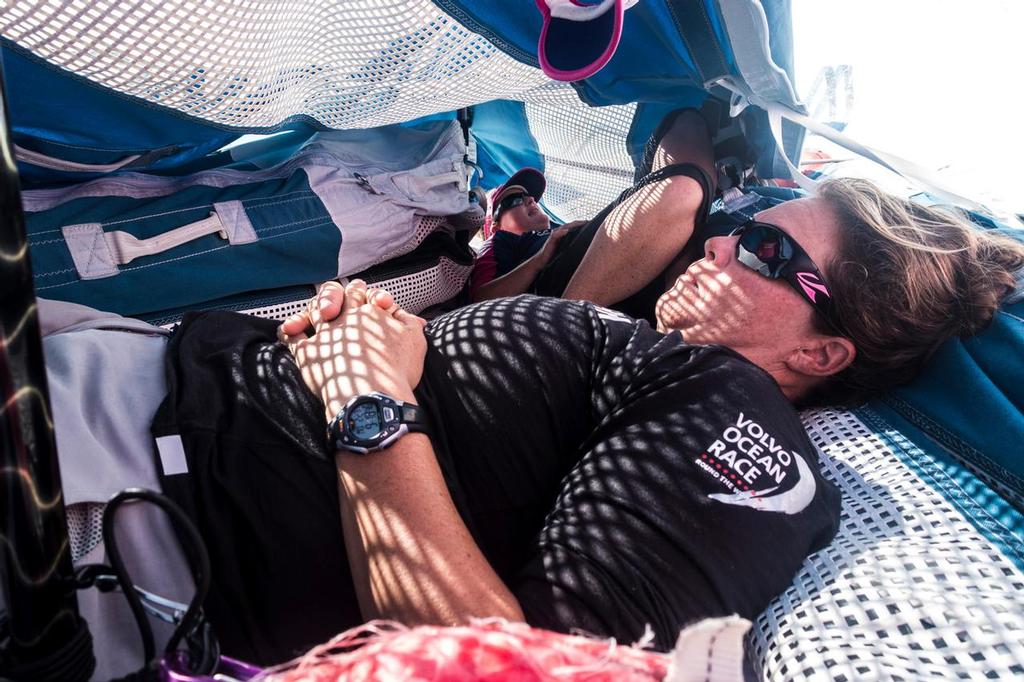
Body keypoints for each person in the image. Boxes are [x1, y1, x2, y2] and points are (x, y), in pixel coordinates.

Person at [468, 167, 584, 301]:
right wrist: (539, 260)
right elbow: (481, 300)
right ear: (496, 227)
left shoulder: (556, 229)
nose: (531, 199)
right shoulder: (499, 241)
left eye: (529, 196)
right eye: (515, 199)